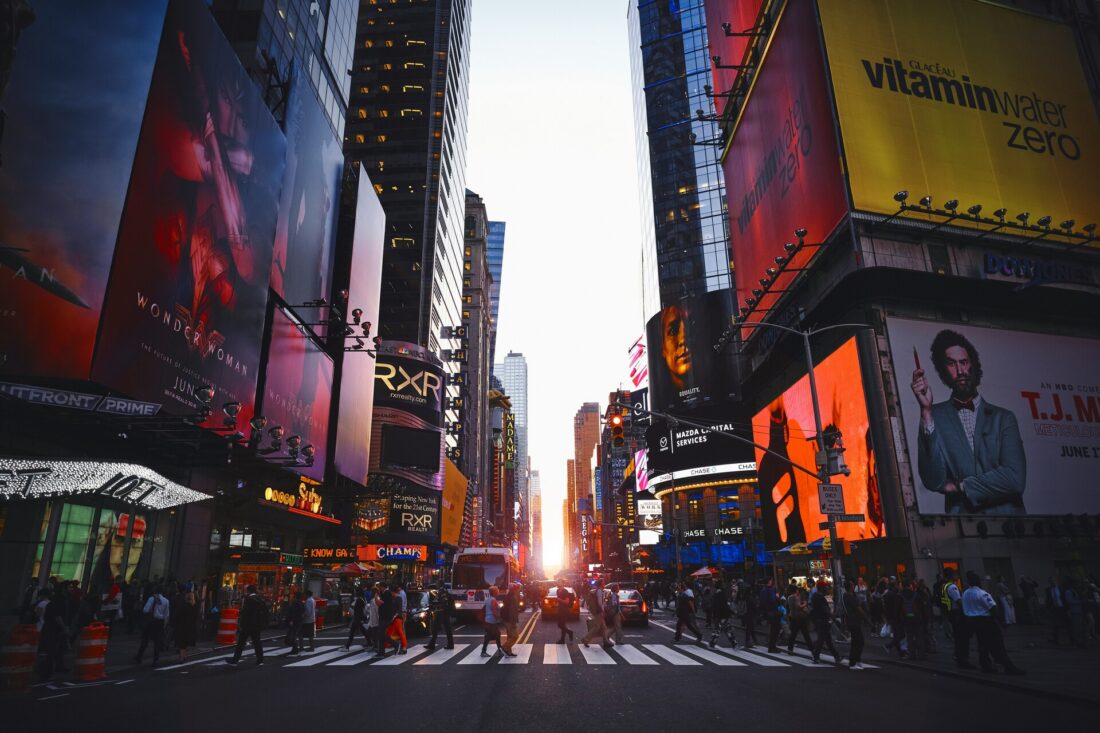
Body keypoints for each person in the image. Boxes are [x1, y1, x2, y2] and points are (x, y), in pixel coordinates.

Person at [912, 329, 1026, 514]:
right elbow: (934, 481)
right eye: (951, 364)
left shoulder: (1004, 418)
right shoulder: (934, 416)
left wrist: (961, 486)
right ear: (943, 370)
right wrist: (926, 411)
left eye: (964, 362)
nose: (960, 371)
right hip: (963, 529)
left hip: (1011, 528)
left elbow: (1014, 479)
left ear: (973, 364)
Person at [962, 572, 1024, 675]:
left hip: (973, 621)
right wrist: (1002, 622)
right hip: (986, 621)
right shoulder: (982, 593)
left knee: (982, 645)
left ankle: (985, 665)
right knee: (998, 644)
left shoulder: (965, 593)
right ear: (978, 581)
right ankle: (1007, 666)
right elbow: (993, 608)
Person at [227, 585, 268, 666]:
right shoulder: (260, 599)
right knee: (257, 642)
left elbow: (246, 613)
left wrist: (241, 623)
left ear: (248, 591)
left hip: (248, 625)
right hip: (257, 625)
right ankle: (260, 660)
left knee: (241, 643)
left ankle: (235, 660)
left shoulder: (249, 599)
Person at [941, 568, 971, 668]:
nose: (957, 576)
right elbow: (958, 601)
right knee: (962, 637)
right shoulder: (952, 587)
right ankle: (963, 660)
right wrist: (966, 612)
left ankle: (959, 657)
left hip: (951, 613)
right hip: (957, 613)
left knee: (958, 637)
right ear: (951, 575)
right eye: (955, 574)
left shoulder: (945, 586)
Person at [134, 586, 170, 666]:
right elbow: (166, 614)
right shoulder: (166, 601)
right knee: (157, 641)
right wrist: (164, 624)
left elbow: (145, 610)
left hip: (150, 621)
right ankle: (155, 659)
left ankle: (139, 657)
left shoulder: (151, 598)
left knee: (145, 640)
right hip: (160, 622)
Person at [37, 589, 68, 679]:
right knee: (51, 651)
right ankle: (45, 670)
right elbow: (57, 618)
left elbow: (38, 614)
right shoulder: (53, 605)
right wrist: (64, 628)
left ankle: (45, 669)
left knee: (45, 650)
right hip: (51, 630)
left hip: (43, 627)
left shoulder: (44, 604)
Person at [810, 580, 842, 665]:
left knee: (827, 639)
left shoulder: (815, 596)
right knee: (822, 639)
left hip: (819, 620)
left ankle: (836, 656)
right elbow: (825, 610)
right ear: (821, 588)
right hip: (822, 620)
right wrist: (834, 619)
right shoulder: (820, 597)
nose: (826, 588)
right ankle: (816, 655)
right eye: (825, 587)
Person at [843, 580, 867, 670]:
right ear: (850, 587)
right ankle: (853, 662)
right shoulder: (850, 597)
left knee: (856, 641)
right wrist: (867, 619)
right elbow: (859, 609)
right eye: (852, 585)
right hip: (854, 621)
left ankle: (856, 660)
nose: (854, 586)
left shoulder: (846, 596)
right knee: (858, 641)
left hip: (852, 621)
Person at [580, 580, 610, 647]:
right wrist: (603, 610)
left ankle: (605, 641)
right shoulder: (599, 591)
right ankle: (585, 639)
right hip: (598, 611)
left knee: (603, 627)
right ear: (600, 584)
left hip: (596, 610)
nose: (604, 584)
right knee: (597, 627)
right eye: (603, 583)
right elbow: (600, 603)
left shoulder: (597, 590)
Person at [673, 582, 704, 646]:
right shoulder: (681, 595)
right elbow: (679, 605)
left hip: (684, 613)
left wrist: (693, 611)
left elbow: (691, 603)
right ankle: (699, 635)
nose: (678, 589)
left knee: (678, 625)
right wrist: (675, 612)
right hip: (682, 613)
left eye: (679, 588)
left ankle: (677, 638)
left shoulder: (685, 595)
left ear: (682, 589)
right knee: (689, 626)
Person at [786, 583, 813, 654]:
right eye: (797, 590)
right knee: (805, 633)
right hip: (800, 617)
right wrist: (805, 603)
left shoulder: (789, 597)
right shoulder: (795, 597)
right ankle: (812, 648)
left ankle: (790, 648)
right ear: (796, 590)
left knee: (793, 634)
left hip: (793, 617)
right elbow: (799, 606)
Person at [426, 583, 455, 651]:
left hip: (441, 612)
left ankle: (432, 645)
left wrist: (435, 604)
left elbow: (443, 601)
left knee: (435, 629)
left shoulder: (442, 592)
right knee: (447, 629)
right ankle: (450, 644)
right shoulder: (444, 591)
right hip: (445, 612)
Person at [173, 591, 199, 663]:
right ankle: (184, 656)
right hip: (191, 626)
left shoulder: (184, 605)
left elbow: (178, 615)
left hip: (183, 626)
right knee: (186, 642)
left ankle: (181, 658)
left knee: (182, 642)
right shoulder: (195, 606)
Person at [709, 581, 736, 649]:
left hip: (719, 615)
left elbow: (714, 605)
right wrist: (731, 612)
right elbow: (724, 605)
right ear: (720, 586)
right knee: (719, 629)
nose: (724, 585)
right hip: (722, 615)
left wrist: (714, 615)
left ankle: (734, 643)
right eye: (722, 584)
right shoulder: (721, 594)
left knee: (725, 629)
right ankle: (712, 642)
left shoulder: (715, 594)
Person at [481, 586, 505, 657]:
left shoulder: (488, 599)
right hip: (491, 621)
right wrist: (499, 618)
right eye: (497, 590)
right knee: (493, 635)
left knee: (494, 635)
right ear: (495, 592)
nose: (498, 592)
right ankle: (484, 651)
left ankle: (499, 651)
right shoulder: (493, 600)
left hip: (488, 620)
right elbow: (494, 611)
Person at [385, 582, 409, 654]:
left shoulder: (398, 598)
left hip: (397, 618)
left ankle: (403, 647)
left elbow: (399, 610)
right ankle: (390, 645)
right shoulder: (394, 598)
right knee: (391, 632)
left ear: (392, 591)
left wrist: (394, 617)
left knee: (399, 632)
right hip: (394, 618)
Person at [759, 578, 781, 653]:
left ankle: (771, 646)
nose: (772, 582)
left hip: (767, 612)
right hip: (773, 611)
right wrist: (777, 596)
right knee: (775, 629)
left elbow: (762, 602)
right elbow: (773, 600)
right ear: (769, 582)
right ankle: (772, 646)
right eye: (771, 581)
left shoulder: (762, 590)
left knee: (772, 629)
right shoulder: (770, 590)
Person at [500, 583, 521, 655]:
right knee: (515, 636)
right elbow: (513, 611)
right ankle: (505, 647)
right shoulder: (513, 597)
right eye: (516, 588)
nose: (518, 590)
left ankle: (509, 652)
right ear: (513, 589)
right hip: (510, 620)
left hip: (506, 619)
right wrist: (513, 622)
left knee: (509, 636)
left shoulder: (507, 596)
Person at [285, 591, 305, 655]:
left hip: (294, 621)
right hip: (299, 621)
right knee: (293, 635)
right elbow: (303, 611)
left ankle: (295, 648)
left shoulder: (295, 603)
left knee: (291, 635)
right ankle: (295, 648)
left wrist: (291, 620)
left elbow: (292, 612)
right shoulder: (301, 603)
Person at [740, 581, 759, 648]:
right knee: (749, 628)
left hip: (745, 614)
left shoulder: (744, 597)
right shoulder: (750, 598)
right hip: (750, 614)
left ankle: (754, 640)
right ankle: (748, 641)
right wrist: (757, 611)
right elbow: (753, 606)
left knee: (750, 627)